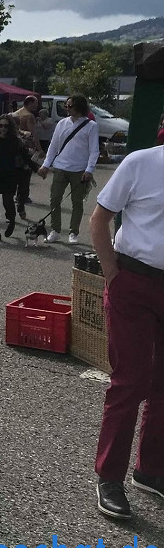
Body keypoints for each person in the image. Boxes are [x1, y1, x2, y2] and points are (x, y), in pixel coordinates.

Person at [88, 140, 164, 520]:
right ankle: (109, 477)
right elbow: (100, 217)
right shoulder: (142, 162)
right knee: (130, 381)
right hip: (135, 280)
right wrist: (112, 275)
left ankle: (150, 469)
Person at [39, 95, 99, 245]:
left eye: (70, 106)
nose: (67, 108)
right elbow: (53, 146)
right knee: (55, 199)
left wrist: (89, 169)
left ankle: (73, 232)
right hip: (60, 166)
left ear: (79, 107)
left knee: (77, 202)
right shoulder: (61, 124)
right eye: (66, 106)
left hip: (80, 169)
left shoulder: (91, 126)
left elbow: (94, 151)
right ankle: (55, 230)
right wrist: (46, 165)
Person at [0, 115, 37, 242]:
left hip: (9, 175)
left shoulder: (15, 141)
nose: (3, 128)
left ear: (10, 127)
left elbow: (25, 157)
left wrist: (37, 169)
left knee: (8, 203)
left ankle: (11, 221)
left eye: (6, 126)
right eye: (0, 126)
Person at [12, 95, 42, 217]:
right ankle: (22, 198)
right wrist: (39, 149)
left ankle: (18, 197)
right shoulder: (29, 116)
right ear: (29, 103)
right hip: (26, 147)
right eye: (35, 104)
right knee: (25, 176)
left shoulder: (15, 113)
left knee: (15, 177)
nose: (37, 107)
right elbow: (33, 134)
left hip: (14, 149)